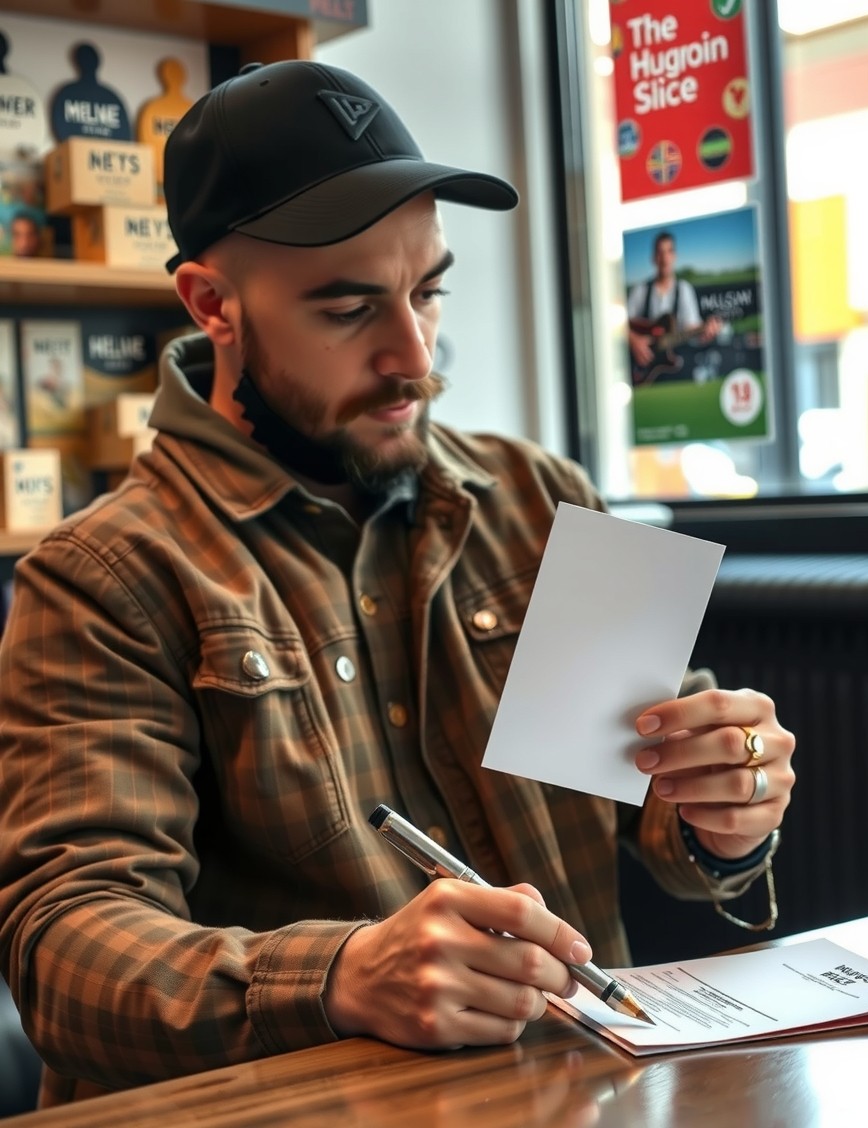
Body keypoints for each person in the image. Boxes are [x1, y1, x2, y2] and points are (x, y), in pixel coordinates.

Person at [0, 60, 796, 1108]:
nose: (414, 355)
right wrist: (337, 979)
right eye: (348, 310)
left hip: (572, 1089)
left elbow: (655, 821)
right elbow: (66, 954)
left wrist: (719, 811)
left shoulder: (541, 496)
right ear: (211, 303)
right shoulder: (101, 577)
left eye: (428, 292)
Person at [627, 231, 721, 384]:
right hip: (643, 369)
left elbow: (692, 327)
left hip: (674, 372)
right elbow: (617, 324)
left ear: (674, 256)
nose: (664, 259)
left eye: (669, 252)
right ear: (653, 258)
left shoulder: (684, 289)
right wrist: (634, 340)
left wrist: (705, 331)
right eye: (660, 252)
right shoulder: (641, 291)